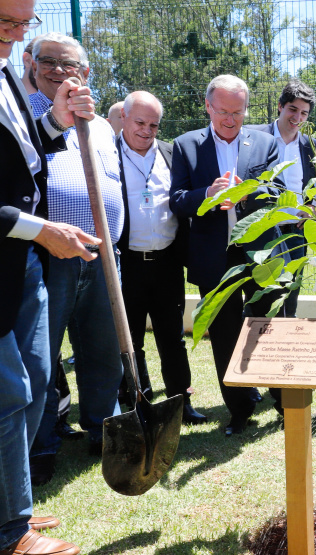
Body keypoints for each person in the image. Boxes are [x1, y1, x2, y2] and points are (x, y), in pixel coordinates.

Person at [1, 0, 94, 551]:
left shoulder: (7, 77)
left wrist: (57, 118)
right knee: (8, 394)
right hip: (14, 254)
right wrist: (39, 229)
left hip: (22, 265)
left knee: (36, 383)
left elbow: (23, 161)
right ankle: (11, 533)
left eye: (22, 24)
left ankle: (15, 506)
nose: (14, 37)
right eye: (4, 23)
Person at [27, 32, 124, 485]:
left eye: (71, 65)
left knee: (103, 352)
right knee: (42, 360)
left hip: (103, 258)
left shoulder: (103, 127)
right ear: (31, 64)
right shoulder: (24, 117)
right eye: (49, 61)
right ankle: (40, 445)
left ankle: (103, 432)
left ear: (87, 73)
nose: (60, 71)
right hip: (48, 257)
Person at [169, 74, 284, 437]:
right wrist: (208, 193)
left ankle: (283, 401)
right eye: (223, 111)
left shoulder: (266, 142)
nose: (231, 119)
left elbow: (277, 192)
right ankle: (239, 408)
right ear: (208, 106)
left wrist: (247, 194)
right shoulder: (185, 146)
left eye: (238, 111)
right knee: (224, 333)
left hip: (261, 253)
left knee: (269, 326)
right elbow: (176, 201)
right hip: (211, 256)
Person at [117, 90, 207, 425]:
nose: (147, 130)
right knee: (129, 342)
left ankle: (181, 403)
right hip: (126, 264)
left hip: (168, 262)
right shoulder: (105, 154)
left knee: (173, 338)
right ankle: (136, 405)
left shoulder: (172, 154)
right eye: (140, 122)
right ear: (124, 118)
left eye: (154, 124)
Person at [247, 79, 316, 319]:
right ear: (280, 106)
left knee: (290, 296)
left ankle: (284, 348)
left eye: (304, 113)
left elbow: (315, 188)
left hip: (296, 233)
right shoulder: (254, 136)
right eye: (293, 109)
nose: (297, 117)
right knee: (261, 295)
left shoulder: (311, 146)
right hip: (264, 232)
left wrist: (311, 206)